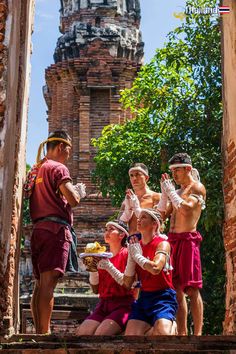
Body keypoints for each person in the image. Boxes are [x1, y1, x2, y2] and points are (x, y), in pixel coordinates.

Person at [23, 130, 86, 334]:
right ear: (61, 147)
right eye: (68, 150)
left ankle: (39, 331)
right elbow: (73, 199)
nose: (68, 155)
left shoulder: (37, 169)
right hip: (55, 231)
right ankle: (44, 334)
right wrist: (78, 191)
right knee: (48, 285)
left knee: (39, 284)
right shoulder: (58, 168)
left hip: (38, 230)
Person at [156, 152, 206, 335]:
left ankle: (198, 333)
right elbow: (161, 217)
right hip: (172, 241)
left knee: (191, 288)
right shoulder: (175, 192)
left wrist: (170, 193)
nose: (174, 174)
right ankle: (182, 333)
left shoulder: (197, 188)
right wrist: (164, 195)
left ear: (188, 169)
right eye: (172, 171)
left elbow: (186, 210)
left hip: (188, 240)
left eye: (177, 170)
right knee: (176, 289)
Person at [122, 208, 177, 335]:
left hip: (163, 296)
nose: (139, 220)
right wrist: (131, 260)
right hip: (144, 296)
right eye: (139, 217)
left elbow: (156, 269)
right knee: (130, 338)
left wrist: (138, 257)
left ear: (154, 224)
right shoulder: (136, 246)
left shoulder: (163, 244)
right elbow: (127, 284)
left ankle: (170, 325)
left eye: (144, 217)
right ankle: (155, 328)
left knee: (163, 335)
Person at [77, 220, 135, 336]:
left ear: (121, 235)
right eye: (105, 230)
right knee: (82, 334)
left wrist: (109, 267)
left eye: (111, 229)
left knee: (101, 335)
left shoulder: (127, 254)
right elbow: (95, 290)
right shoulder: (100, 256)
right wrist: (92, 270)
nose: (106, 232)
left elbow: (129, 284)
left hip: (123, 304)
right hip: (103, 304)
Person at [119, 163, 161, 235]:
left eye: (138, 174)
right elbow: (120, 226)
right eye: (131, 176)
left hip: (149, 240)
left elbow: (159, 222)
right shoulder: (127, 201)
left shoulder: (156, 197)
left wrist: (137, 209)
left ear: (146, 178)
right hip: (131, 241)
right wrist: (127, 212)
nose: (134, 178)